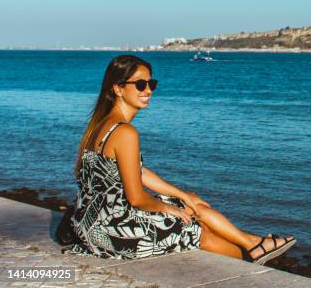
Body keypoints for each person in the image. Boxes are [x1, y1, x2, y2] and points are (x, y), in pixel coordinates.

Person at [71, 55, 295, 264]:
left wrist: (182, 195)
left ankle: (253, 244)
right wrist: (169, 210)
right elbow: (137, 198)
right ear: (118, 88)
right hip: (111, 233)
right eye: (140, 85)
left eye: (152, 84)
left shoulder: (101, 126)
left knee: (191, 204)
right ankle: (248, 263)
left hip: (89, 225)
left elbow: (137, 171)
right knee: (197, 230)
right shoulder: (125, 133)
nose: (148, 90)